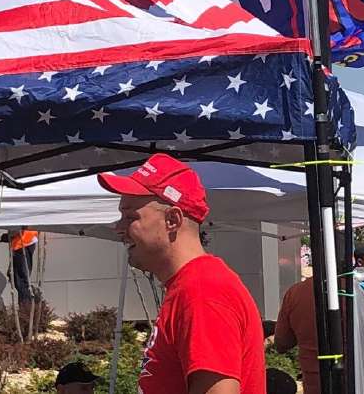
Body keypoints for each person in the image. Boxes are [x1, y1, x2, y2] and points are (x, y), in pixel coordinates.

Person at [99, 153, 266, 394]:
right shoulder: (193, 286)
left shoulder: (202, 291)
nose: (118, 228)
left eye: (130, 217)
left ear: (172, 220)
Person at [274, 277, 319, 394]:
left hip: (314, 384)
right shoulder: (357, 292)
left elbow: (282, 343)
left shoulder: (297, 292)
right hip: (357, 379)